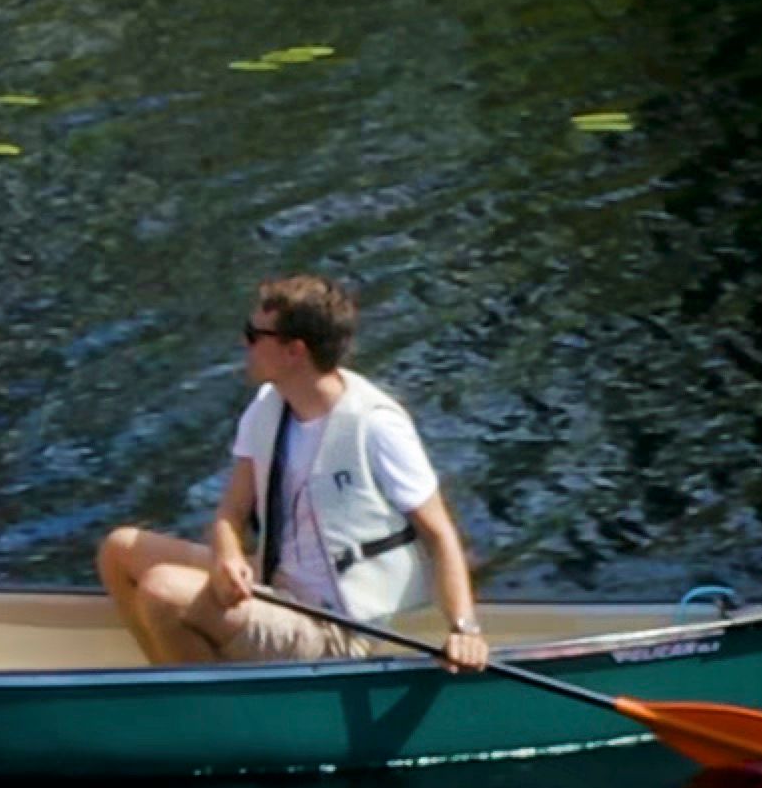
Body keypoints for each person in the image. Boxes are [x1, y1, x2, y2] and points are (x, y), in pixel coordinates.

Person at [100, 271, 487, 671]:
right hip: (276, 582)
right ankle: (176, 679)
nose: (244, 343)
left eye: (254, 335)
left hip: (337, 628)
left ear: (293, 351)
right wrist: (228, 557)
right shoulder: (268, 406)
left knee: (163, 589)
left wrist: (464, 629)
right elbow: (230, 514)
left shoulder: (376, 425)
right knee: (119, 549)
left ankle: (210, 715)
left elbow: (440, 535)